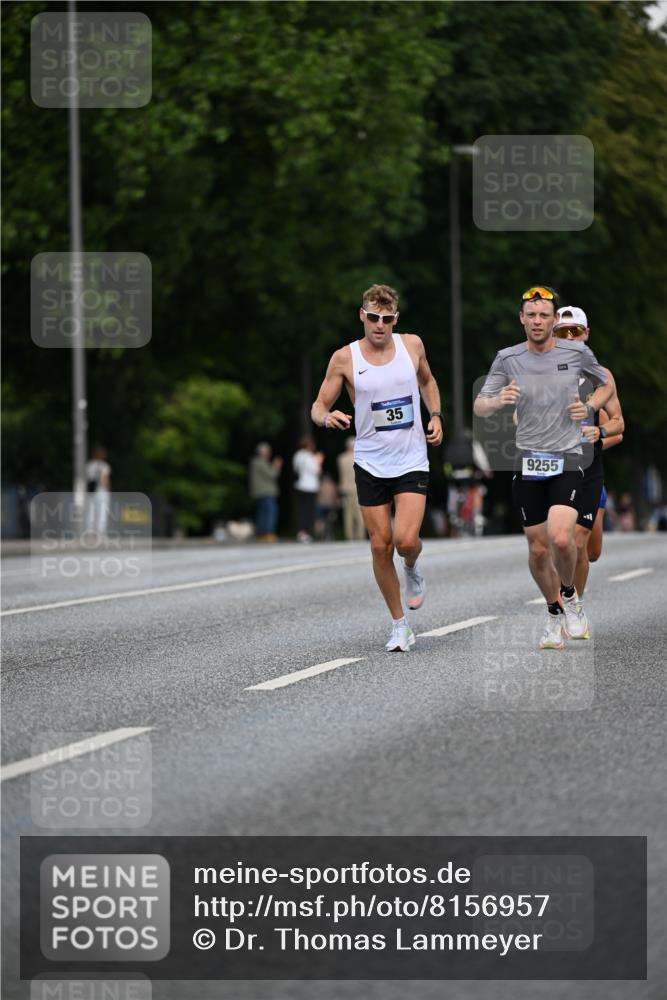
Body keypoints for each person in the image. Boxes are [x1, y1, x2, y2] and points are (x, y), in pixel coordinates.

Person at [474, 286, 613, 650]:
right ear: (522, 319)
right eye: (530, 315)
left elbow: (605, 385)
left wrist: (590, 405)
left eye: (543, 315)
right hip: (529, 461)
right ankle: (555, 612)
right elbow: (479, 406)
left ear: (554, 320)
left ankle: (570, 597)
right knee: (537, 551)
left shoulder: (577, 352)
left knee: (562, 538)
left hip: (569, 457)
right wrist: (497, 400)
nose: (537, 321)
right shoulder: (507, 358)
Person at [311, 283, 443, 652]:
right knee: (380, 546)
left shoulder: (412, 345)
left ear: (395, 320)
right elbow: (318, 405)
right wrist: (326, 418)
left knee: (405, 541)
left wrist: (436, 415)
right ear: (362, 316)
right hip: (370, 461)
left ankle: (413, 568)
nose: (379, 325)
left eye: (386, 319)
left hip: (412, 458)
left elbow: (428, 382)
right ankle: (399, 624)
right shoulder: (345, 358)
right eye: (373, 317)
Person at [553, 307, 624, 597]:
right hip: (554, 468)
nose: (570, 337)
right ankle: (565, 607)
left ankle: (573, 603)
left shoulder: (600, 376)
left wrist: (598, 434)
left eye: (576, 331)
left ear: (586, 334)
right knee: (562, 541)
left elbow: (619, 425)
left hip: (588, 467)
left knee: (588, 550)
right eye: (562, 332)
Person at [249, 442, 283, 541]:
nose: (269, 453)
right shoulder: (261, 462)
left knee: (262, 513)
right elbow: (273, 474)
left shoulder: (255, 462)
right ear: (263, 452)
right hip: (266, 492)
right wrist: (277, 465)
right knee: (270, 512)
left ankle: (261, 533)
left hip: (260, 492)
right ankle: (268, 533)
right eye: (268, 451)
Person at [293, 436, 323, 542]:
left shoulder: (297, 455)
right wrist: (319, 461)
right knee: (308, 511)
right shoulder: (310, 457)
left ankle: (301, 532)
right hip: (309, 487)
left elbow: (296, 469)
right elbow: (316, 471)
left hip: (300, 485)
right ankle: (304, 533)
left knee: (301, 510)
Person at [337, 437, 366, 540]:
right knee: (359, 513)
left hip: (345, 489)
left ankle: (350, 536)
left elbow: (341, 475)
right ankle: (360, 535)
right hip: (358, 488)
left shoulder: (341, 458)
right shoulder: (359, 458)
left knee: (348, 514)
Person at [85, 445, 111, 535]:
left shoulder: (89, 465)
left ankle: (89, 531)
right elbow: (104, 480)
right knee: (102, 512)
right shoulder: (104, 466)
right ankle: (100, 532)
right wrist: (108, 489)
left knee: (90, 512)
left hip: (90, 491)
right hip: (101, 491)